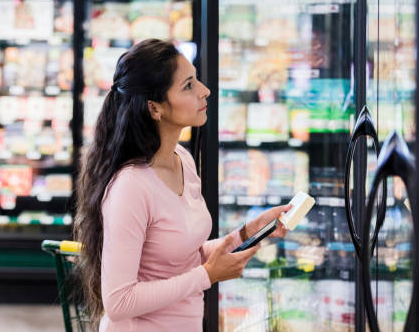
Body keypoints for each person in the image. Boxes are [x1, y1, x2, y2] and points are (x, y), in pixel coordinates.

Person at [73, 39, 292, 331]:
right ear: (154, 108)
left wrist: (250, 232)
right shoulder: (131, 186)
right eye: (188, 86)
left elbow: (179, 258)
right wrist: (206, 276)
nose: (205, 90)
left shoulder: (183, 160)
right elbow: (119, 301)